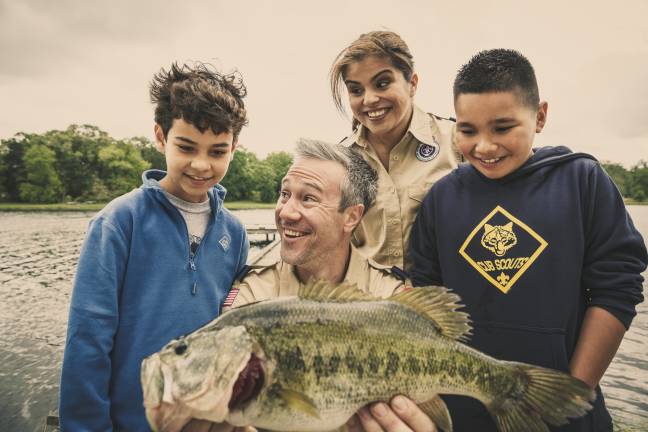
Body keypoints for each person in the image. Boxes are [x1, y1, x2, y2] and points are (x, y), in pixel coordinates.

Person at [409, 49, 647, 431]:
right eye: (467, 130)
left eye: (502, 128)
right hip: (464, 413)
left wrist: (570, 396)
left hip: (567, 411)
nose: (484, 146)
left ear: (539, 116)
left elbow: (617, 289)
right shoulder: (441, 198)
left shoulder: (581, 181)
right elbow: (422, 297)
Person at [186, 139, 437, 432]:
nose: (286, 212)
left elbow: (423, 407)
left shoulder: (393, 297)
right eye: (284, 194)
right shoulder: (253, 295)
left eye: (308, 199)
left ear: (351, 217)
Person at [59, 62, 250, 431]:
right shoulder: (118, 222)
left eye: (217, 151)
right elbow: (87, 342)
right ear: (161, 137)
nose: (200, 164)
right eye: (186, 146)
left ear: (234, 148)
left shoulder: (235, 233)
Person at [330, 30, 461, 271]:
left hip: (444, 303)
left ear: (412, 84)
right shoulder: (338, 162)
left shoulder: (458, 141)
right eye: (356, 90)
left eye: (382, 83)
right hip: (368, 305)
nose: (369, 99)